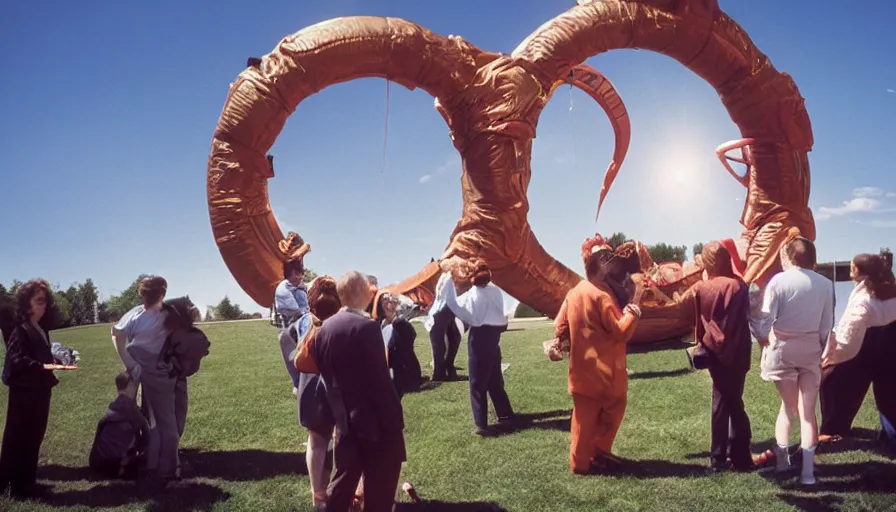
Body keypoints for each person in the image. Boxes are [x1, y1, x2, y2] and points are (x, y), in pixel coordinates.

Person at [305, 271, 406, 512]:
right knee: (380, 489)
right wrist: (395, 420)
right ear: (360, 293)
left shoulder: (322, 331)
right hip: (376, 424)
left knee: (342, 483)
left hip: (344, 421)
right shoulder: (367, 328)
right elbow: (380, 383)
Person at [552, 236, 643, 474]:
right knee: (613, 411)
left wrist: (561, 342)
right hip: (608, 376)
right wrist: (635, 304)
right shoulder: (602, 295)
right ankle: (598, 453)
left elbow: (559, 327)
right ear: (603, 265)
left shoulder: (574, 293)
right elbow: (621, 332)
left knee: (581, 423)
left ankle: (580, 463)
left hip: (581, 375)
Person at [752, 237, 833, 485]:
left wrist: (763, 338)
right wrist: (819, 348)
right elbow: (826, 324)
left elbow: (766, 319)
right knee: (808, 413)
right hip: (809, 349)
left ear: (788, 256)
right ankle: (808, 474)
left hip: (783, 350)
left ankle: (783, 463)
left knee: (787, 409)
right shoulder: (826, 284)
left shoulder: (778, 281)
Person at [818, 253, 896, 447]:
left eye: (852, 269)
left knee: (835, 384)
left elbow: (848, 338)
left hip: (865, 345)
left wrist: (832, 358)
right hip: (891, 342)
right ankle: (891, 434)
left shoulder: (863, 300)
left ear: (861, 273)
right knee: (890, 393)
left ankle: (833, 430)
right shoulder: (891, 289)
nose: (850, 272)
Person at [112, 276, 180, 483]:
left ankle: (151, 463)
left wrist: (130, 364)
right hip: (159, 373)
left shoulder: (134, 315)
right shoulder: (170, 314)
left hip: (138, 369)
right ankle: (169, 470)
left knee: (151, 420)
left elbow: (116, 335)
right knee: (167, 423)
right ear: (162, 294)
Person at [693, 242, 754, 472]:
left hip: (712, 352)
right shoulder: (738, 286)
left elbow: (698, 323)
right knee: (734, 400)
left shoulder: (701, 287)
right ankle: (740, 454)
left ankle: (719, 456)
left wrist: (701, 345)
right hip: (736, 352)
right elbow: (743, 319)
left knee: (721, 400)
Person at [0, 280, 65, 499]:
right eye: (38, 301)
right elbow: (17, 360)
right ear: (26, 303)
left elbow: (41, 355)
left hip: (39, 390)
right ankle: (16, 487)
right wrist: (44, 366)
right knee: (19, 438)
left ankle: (26, 482)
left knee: (34, 437)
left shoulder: (40, 328)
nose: (43, 306)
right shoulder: (20, 329)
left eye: (44, 301)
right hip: (25, 392)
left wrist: (55, 360)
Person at [443, 262, 514, 436]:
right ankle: (505, 414)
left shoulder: (474, 294)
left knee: (477, 381)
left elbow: (454, 304)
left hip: (480, 335)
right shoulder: (495, 291)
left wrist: (447, 279)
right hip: (494, 334)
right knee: (494, 378)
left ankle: (482, 423)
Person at [89, 372, 150, 479]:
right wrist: (140, 450)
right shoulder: (130, 407)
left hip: (100, 462)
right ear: (130, 387)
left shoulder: (114, 405)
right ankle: (122, 467)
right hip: (117, 461)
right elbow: (147, 432)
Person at [374, 291, 423, 398]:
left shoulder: (401, 323)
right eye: (385, 298)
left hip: (405, 375)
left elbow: (409, 336)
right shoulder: (379, 323)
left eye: (391, 298)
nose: (390, 300)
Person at [275, 258, 310, 394]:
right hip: (291, 327)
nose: (296, 277)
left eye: (298, 273)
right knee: (291, 352)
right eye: (292, 274)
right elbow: (293, 309)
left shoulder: (302, 287)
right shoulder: (283, 289)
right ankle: (297, 383)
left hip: (305, 321)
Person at [425, 271, 462, 381]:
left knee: (445, 338)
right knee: (451, 338)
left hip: (444, 307)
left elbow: (442, 294)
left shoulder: (447, 276)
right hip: (445, 307)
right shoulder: (447, 276)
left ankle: (443, 370)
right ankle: (445, 370)